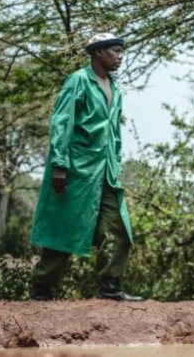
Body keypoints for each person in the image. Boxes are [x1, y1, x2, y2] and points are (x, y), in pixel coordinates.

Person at [29, 33, 144, 301]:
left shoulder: (114, 88)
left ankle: (110, 287)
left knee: (118, 227)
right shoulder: (78, 81)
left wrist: (115, 163)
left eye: (120, 51)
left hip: (104, 172)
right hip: (76, 171)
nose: (120, 56)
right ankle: (42, 289)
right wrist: (59, 164)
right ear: (98, 53)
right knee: (64, 227)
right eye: (115, 51)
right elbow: (62, 122)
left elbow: (114, 132)